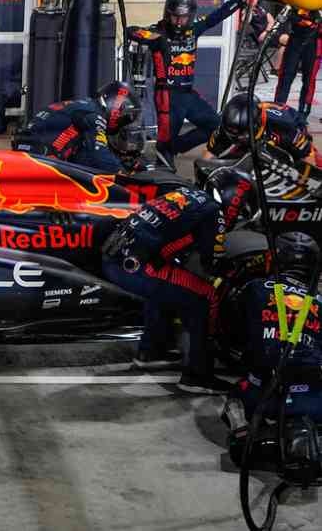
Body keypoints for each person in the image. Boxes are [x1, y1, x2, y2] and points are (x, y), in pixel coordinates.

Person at [101, 172, 259, 393]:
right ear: (235, 201)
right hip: (135, 265)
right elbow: (211, 263)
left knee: (168, 285)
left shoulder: (186, 192)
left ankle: (152, 351)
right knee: (206, 297)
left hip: (115, 255)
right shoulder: (214, 212)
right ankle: (197, 375)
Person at [221, 232, 322, 456]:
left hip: (259, 396)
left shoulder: (253, 288)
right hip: (312, 400)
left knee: (236, 396)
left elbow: (231, 334)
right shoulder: (319, 299)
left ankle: (242, 430)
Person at [127, 0, 244, 168]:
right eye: (175, 17)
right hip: (167, 97)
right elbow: (130, 31)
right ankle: (164, 167)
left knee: (216, 126)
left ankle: (176, 147)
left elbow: (216, 17)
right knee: (165, 144)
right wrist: (151, 37)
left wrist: (240, 1)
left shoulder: (193, 30)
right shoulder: (158, 33)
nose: (179, 22)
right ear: (168, 15)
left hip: (188, 94)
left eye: (184, 17)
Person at [11, 81, 143, 173]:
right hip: (40, 164)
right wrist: (124, 173)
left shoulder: (83, 106)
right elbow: (99, 156)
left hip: (27, 154)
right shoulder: (93, 115)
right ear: (117, 106)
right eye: (127, 116)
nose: (126, 121)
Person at [206, 94, 318, 165]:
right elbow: (210, 154)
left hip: (292, 131)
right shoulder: (227, 126)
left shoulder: (284, 127)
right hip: (256, 138)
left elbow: (308, 155)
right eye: (232, 133)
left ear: (256, 126)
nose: (236, 137)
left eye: (241, 135)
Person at [273, 8, 322, 119]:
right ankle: (278, 109)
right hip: (295, 39)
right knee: (286, 76)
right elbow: (285, 17)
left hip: (313, 43)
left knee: (309, 80)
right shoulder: (293, 6)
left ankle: (303, 115)